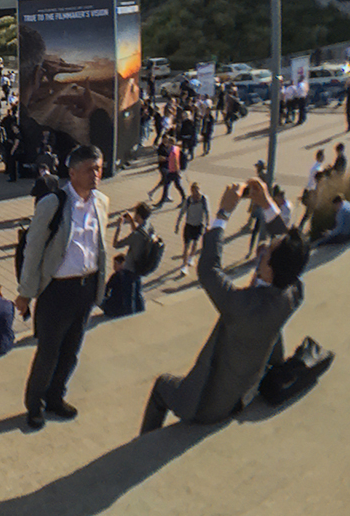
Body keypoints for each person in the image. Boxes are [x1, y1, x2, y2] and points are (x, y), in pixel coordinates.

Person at [140, 179, 308, 434]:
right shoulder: (293, 293)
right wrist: (266, 204)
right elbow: (290, 251)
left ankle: (145, 445)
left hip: (208, 404)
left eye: (266, 254)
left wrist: (223, 213)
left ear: (270, 270)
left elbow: (208, 270)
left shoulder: (242, 306)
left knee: (162, 386)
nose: (262, 252)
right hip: (244, 392)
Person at [16, 144, 111, 429]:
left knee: (71, 352)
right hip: (56, 292)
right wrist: (25, 293)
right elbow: (33, 251)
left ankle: (56, 397)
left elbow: (100, 248)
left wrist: (98, 290)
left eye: (99, 168)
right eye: (89, 169)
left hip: (85, 288)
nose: (96, 174)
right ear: (72, 172)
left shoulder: (102, 202)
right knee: (48, 352)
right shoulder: (53, 203)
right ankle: (35, 406)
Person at [175, 182, 211, 276]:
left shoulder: (203, 199)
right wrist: (177, 224)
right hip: (189, 225)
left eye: (197, 191)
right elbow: (182, 212)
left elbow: (207, 212)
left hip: (199, 225)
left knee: (195, 243)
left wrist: (208, 224)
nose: (196, 194)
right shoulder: (188, 200)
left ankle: (192, 256)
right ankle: (184, 266)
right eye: (194, 191)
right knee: (186, 246)